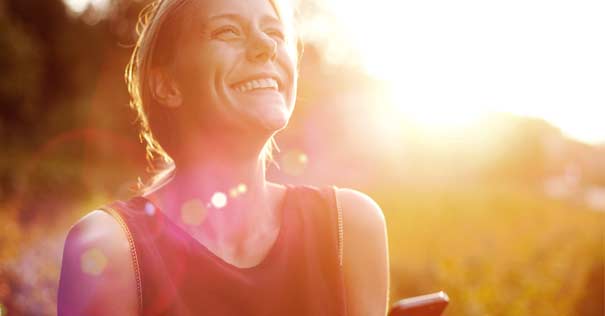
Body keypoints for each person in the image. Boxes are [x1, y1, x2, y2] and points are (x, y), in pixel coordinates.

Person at [57, 0, 389, 314]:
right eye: (228, 31)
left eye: (275, 32)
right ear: (167, 85)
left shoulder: (350, 228)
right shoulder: (111, 249)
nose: (267, 46)